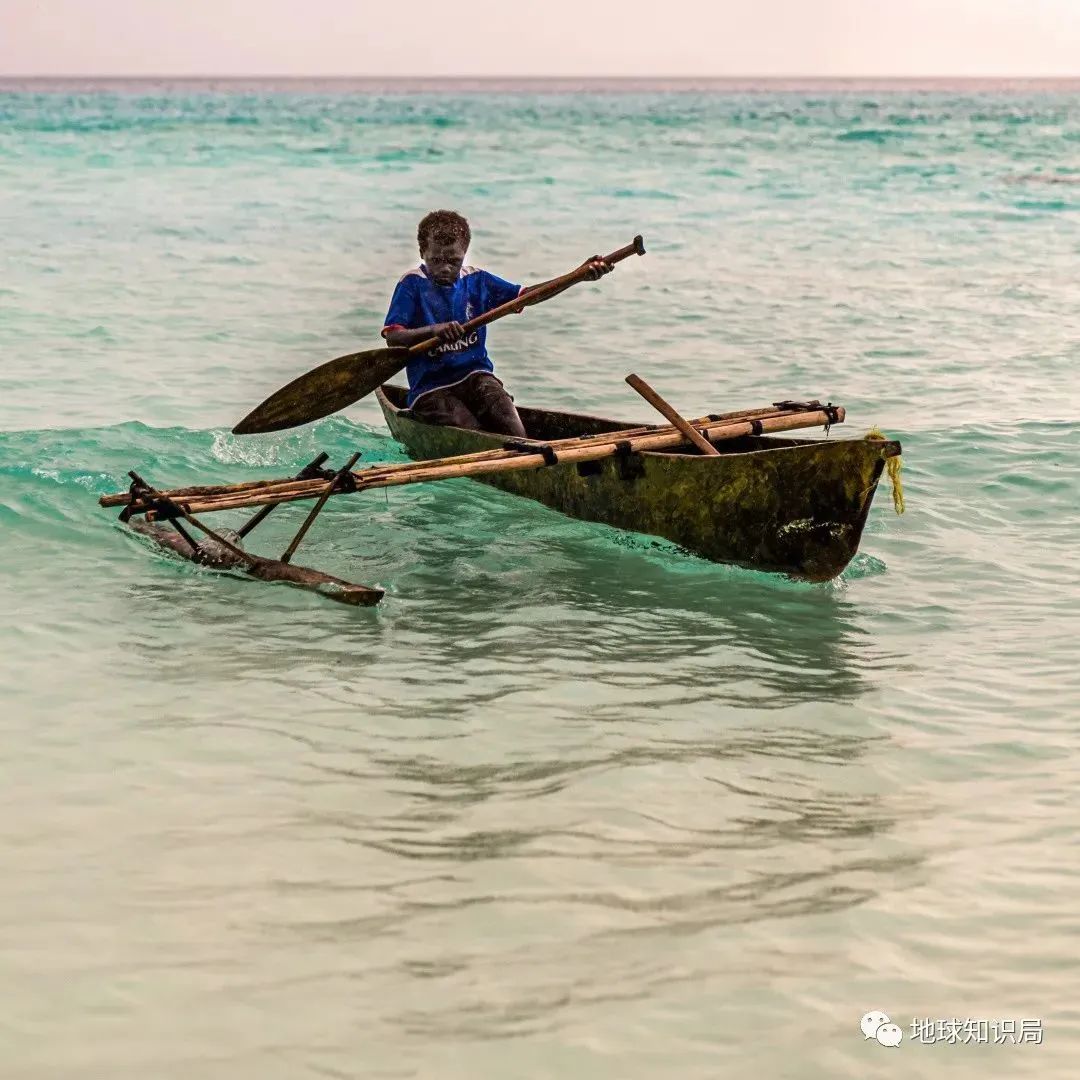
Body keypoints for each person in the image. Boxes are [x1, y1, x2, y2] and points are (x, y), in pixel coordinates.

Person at [381, 210, 613, 436]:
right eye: (436, 260)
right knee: (470, 432)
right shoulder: (411, 284)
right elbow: (394, 339)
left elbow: (529, 295)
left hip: (476, 376)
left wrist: (577, 275)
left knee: (514, 429)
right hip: (431, 388)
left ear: (465, 253)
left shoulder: (477, 280)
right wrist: (434, 330)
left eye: (453, 261)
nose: (445, 268)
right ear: (423, 252)